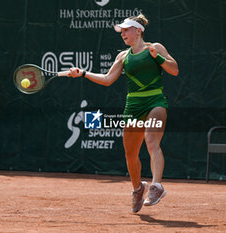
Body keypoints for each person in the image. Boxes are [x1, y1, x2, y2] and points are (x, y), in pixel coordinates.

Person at [68, 14, 179, 213]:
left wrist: (158, 57)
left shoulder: (156, 47)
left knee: (151, 140)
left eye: (127, 30)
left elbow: (174, 70)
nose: (123, 34)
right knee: (130, 154)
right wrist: (83, 73)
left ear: (139, 30)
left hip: (155, 101)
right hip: (133, 106)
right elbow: (107, 78)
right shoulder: (123, 56)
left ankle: (156, 186)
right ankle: (138, 189)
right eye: (122, 31)